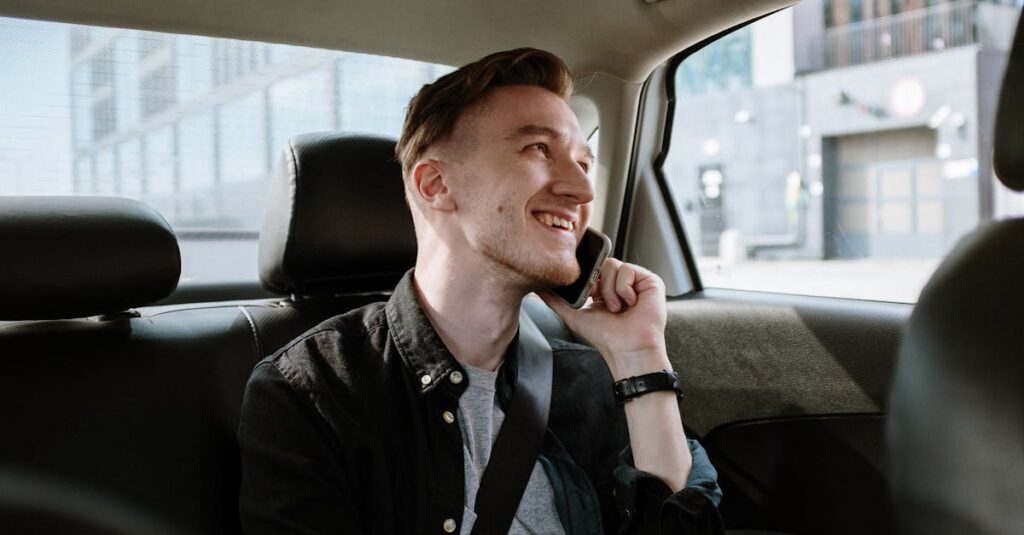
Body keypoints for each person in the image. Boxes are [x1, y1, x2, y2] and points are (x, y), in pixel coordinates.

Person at [238, 48, 723, 534]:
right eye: (538, 149)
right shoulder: (315, 391)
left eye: (583, 161)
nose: (583, 188)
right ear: (435, 185)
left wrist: (640, 357)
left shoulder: (592, 380)